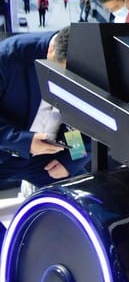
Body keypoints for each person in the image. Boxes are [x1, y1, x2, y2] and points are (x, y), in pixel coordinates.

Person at [0, 27, 90, 191]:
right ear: (51, 50)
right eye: (57, 74)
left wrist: (71, 161)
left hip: (49, 157)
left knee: (86, 196)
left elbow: (82, 125)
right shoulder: (8, 57)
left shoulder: (91, 69)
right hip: (5, 147)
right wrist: (24, 142)